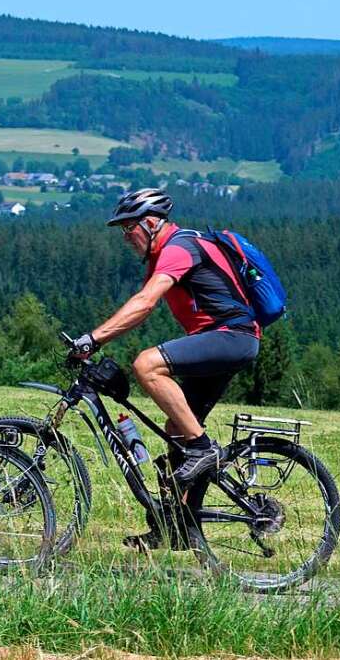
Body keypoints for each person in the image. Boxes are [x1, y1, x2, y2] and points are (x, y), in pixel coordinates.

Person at [69, 188, 260, 549]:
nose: (126, 238)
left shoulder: (178, 248)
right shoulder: (165, 254)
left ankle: (205, 450)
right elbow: (137, 312)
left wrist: (92, 340)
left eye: (129, 228)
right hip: (226, 340)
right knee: (175, 434)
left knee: (148, 365)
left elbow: (144, 303)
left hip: (232, 337)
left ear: (151, 222)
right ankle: (176, 526)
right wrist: (98, 339)